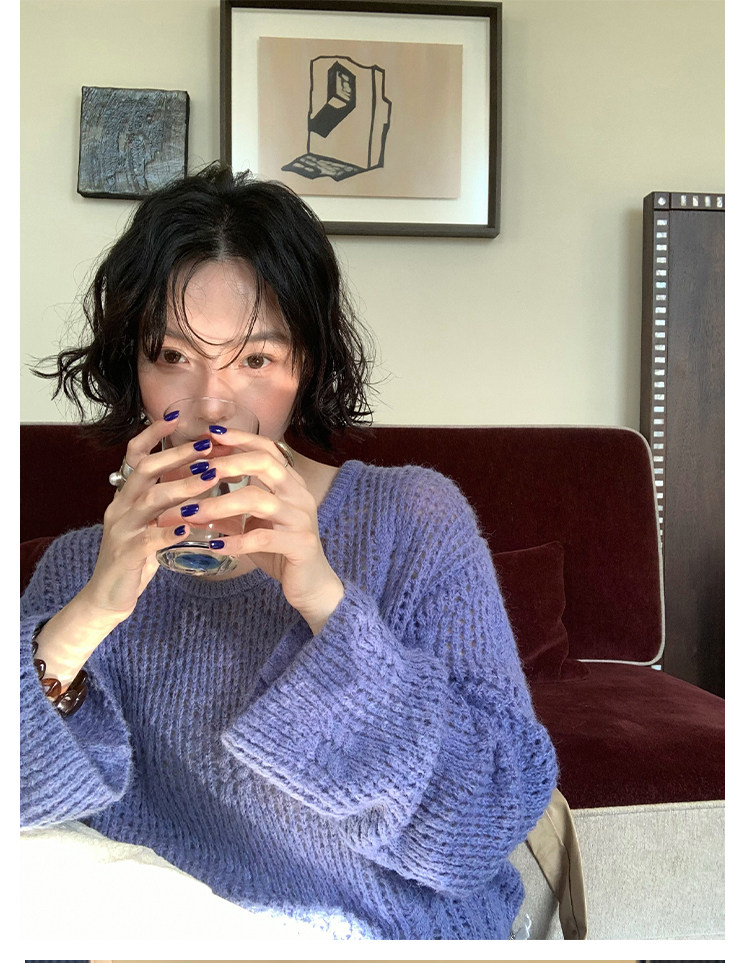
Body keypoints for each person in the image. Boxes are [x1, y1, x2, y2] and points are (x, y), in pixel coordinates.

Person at [20, 162, 557, 940]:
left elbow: (486, 822)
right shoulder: (79, 565)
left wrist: (324, 600)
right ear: (132, 364)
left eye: (256, 360)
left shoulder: (413, 519)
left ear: (306, 365)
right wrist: (87, 615)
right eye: (171, 355)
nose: (211, 404)